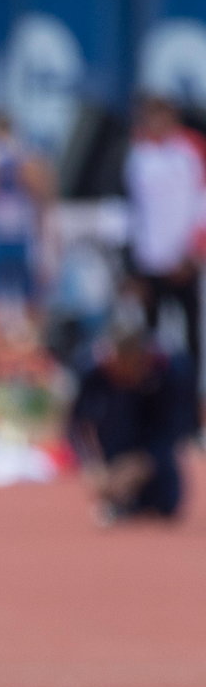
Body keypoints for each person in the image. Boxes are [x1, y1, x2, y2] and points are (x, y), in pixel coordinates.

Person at [123, 93, 205, 439]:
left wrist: (192, 251)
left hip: (183, 262)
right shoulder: (138, 155)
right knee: (149, 344)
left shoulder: (190, 150)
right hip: (149, 263)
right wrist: (132, 269)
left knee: (189, 342)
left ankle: (189, 420)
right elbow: (131, 212)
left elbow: (201, 202)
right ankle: (152, 418)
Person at [67, 325, 193, 524]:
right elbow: (75, 424)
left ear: (144, 359)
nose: (124, 372)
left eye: (131, 365)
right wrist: (91, 465)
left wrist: (143, 462)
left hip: (153, 435)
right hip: (116, 433)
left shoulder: (171, 370)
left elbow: (176, 427)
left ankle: (136, 494)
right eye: (119, 364)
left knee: (168, 506)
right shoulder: (92, 368)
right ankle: (119, 497)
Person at [0, 109, 54, 319]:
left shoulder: (26, 160)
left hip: (21, 239)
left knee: (30, 300)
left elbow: (42, 197)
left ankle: (31, 348)